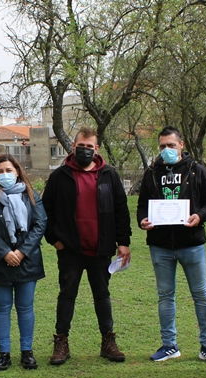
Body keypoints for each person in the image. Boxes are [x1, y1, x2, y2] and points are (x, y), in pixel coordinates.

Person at [42, 126, 132, 365]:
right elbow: (45, 212)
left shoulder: (109, 175)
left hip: (101, 249)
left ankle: (108, 341)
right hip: (70, 250)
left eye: (89, 147)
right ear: (73, 146)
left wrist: (123, 243)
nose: (84, 151)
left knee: (102, 295)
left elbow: (121, 211)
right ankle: (61, 342)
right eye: (80, 147)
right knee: (67, 295)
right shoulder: (59, 177)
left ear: (97, 148)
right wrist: (55, 240)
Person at [137, 126, 206, 365]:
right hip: (160, 245)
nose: (167, 150)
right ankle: (169, 345)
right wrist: (142, 220)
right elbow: (143, 205)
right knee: (165, 296)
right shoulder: (152, 172)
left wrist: (201, 216)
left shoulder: (196, 170)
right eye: (162, 146)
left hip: (191, 243)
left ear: (181, 145)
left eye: (171, 145)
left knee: (201, 295)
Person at [0, 154, 47, 371]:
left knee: (25, 308)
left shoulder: (31, 195)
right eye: (0, 171)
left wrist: (22, 252)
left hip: (27, 261)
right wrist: (5, 252)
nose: (5, 175)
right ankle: (3, 354)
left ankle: (27, 352)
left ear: (17, 171)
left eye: (9, 170)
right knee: (1, 308)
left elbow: (40, 224)